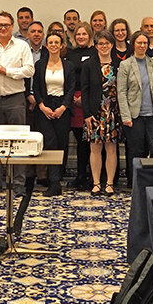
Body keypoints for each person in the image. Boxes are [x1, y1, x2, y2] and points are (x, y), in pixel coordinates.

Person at [0, 12, 35, 193]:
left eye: (6, 25)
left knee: (18, 142)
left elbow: (29, 70)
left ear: (12, 27)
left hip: (15, 98)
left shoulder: (22, 46)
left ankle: (18, 184)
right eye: (0, 25)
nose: (3, 28)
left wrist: (7, 71)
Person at [33, 30, 74, 195]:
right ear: (46, 45)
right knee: (49, 143)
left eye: (57, 42)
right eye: (50, 42)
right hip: (45, 107)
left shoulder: (68, 65)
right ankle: (53, 182)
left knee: (61, 144)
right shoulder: (40, 65)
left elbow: (71, 88)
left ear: (62, 45)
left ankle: (58, 179)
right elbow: (35, 88)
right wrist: (42, 106)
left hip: (62, 107)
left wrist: (63, 107)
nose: (54, 45)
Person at [117, 30, 153, 160]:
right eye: (139, 43)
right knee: (136, 152)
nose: (142, 45)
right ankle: (135, 180)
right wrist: (126, 116)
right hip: (134, 117)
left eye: (145, 43)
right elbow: (121, 92)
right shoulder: (125, 65)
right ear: (133, 44)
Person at [81, 29, 121, 193]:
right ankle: (96, 183)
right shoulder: (88, 64)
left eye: (107, 43)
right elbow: (84, 90)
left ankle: (110, 183)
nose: (104, 46)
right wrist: (87, 114)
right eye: (100, 43)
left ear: (112, 45)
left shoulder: (119, 64)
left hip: (113, 112)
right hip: (95, 113)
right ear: (96, 46)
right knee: (95, 148)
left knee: (111, 148)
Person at [67, 23, 96, 188]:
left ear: (90, 35)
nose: (81, 37)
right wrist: (72, 97)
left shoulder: (95, 53)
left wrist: (84, 99)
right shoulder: (70, 54)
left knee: (89, 140)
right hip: (73, 99)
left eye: (84, 34)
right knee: (80, 140)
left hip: (88, 99)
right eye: (78, 34)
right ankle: (80, 175)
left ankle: (93, 176)